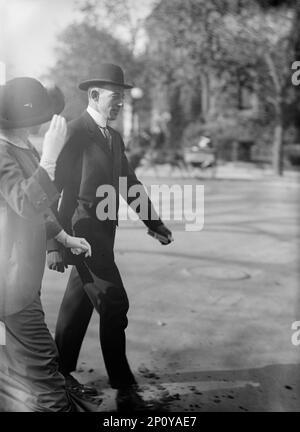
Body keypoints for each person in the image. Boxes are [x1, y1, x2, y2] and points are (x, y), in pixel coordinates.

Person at [47, 63, 173, 411]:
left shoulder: (113, 137)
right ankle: (124, 388)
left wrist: (154, 223)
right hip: (81, 235)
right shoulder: (75, 132)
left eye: (122, 99)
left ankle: (59, 372)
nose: (119, 104)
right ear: (94, 95)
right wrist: (54, 244)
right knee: (115, 304)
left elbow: (128, 183)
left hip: (104, 235)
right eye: (114, 98)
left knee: (80, 302)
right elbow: (51, 190)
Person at [0, 77, 98, 412]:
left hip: (21, 279)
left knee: (15, 372)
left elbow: (38, 207)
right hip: (9, 284)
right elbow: (25, 202)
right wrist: (51, 157)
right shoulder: (1, 152)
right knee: (43, 371)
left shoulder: (21, 146)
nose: (42, 126)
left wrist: (61, 235)